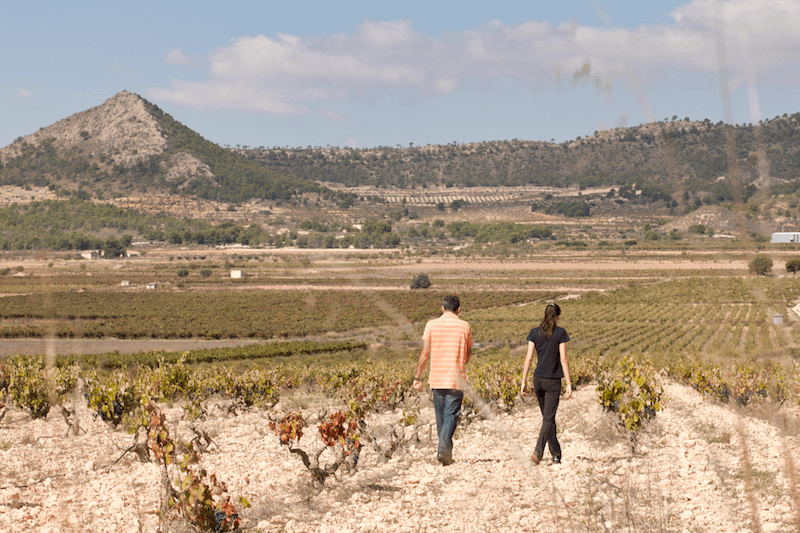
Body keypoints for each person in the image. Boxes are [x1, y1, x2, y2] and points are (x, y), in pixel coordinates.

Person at [412, 295, 473, 466]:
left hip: (436, 377)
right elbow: (468, 352)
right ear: (458, 309)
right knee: (451, 416)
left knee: (441, 417)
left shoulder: (431, 325)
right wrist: (461, 361)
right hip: (456, 377)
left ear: (442, 308)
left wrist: (418, 377)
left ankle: (444, 452)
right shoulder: (465, 326)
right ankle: (444, 450)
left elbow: (425, 353)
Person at [520, 302, 572, 465]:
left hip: (538, 380)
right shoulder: (561, 333)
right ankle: (538, 451)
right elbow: (563, 358)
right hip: (552, 381)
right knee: (548, 418)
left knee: (547, 418)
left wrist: (523, 381)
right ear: (558, 317)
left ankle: (556, 453)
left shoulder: (534, 333)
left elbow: (528, 358)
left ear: (543, 315)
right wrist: (569, 382)